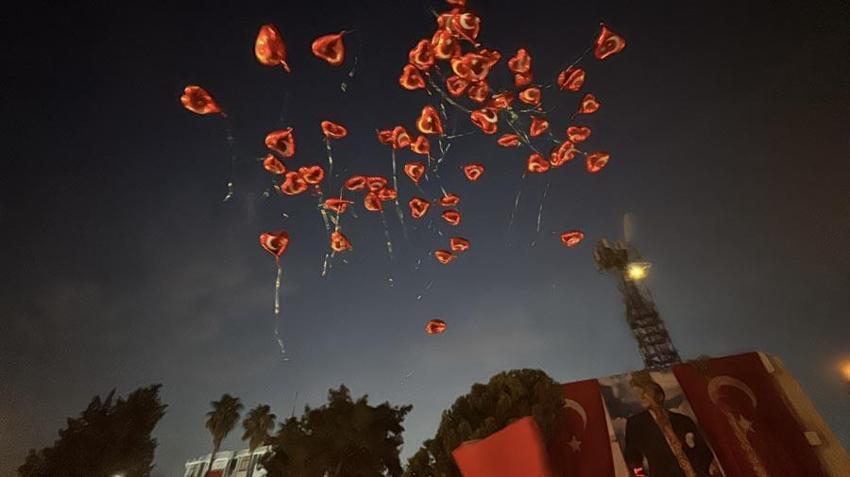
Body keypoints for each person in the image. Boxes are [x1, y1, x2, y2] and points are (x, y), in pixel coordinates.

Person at [623, 380, 720, 477]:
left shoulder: (683, 420)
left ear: (660, 396)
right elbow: (632, 457)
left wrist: (710, 470)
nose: (642, 397)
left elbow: (702, 449)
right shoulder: (636, 424)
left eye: (647, 392)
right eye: (642, 393)